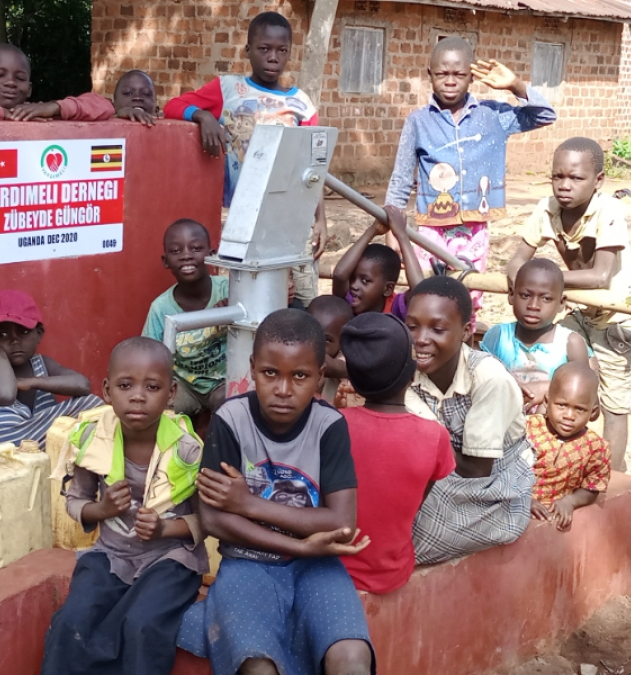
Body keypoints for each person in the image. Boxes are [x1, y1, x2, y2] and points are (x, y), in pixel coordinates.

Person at [176, 309, 375, 675]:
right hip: (247, 563)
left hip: (318, 568)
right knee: (257, 665)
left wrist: (248, 502)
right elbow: (213, 518)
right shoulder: (230, 420)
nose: (283, 390)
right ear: (253, 368)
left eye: (299, 376)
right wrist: (300, 544)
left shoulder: (328, 425)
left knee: (351, 659)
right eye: (271, 373)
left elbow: (342, 523)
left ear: (319, 376)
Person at [42, 337, 208, 675]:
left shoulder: (187, 450)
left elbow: (208, 520)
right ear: (106, 390)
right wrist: (101, 511)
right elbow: (76, 501)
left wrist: (165, 528)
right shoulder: (94, 441)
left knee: (141, 624)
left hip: (171, 559)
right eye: (125, 385)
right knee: (70, 621)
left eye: (152, 386)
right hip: (111, 554)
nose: (137, 396)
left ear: (171, 393)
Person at [384, 36, 557, 327]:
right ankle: (422, 353)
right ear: (429, 75)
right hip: (430, 228)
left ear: (471, 77)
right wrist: (392, 227)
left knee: (467, 295)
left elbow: (545, 114)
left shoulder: (493, 115)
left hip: (473, 229)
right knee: (425, 293)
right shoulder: (418, 121)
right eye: (441, 74)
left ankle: (463, 351)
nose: (450, 81)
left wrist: (516, 85)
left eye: (459, 74)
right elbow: (401, 177)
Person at [163, 11, 327, 307]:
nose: (273, 57)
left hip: (292, 219)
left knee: (301, 299)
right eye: (264, 49)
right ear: (249, 50)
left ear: (290, 52)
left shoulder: (302, 104)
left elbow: (313, 167)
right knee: (247, 296)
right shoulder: (228, 90)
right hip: (244, 218)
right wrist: (202, 116)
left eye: (281, 50)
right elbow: (173, 106)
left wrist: (320, 221)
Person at [506, 137, 631, 471]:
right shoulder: (546, 209)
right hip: (581, 313)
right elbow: (517, 262)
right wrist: (525, 281)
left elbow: (601, 276)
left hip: (619, 320)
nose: (564, 186)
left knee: (613, 408)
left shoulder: (609, 210)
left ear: (598, 181)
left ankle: (611, 483)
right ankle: (551, 464)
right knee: (554, 378)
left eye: (575, 178)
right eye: (558, 177)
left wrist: (543, 279)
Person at [403, 277, 535, 565]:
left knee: (404, 532)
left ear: (465, 332)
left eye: (437, 329)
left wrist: (422, 438)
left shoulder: (488, 378)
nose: (421, 338)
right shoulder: (409, 371)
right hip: (442, 475)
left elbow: (476, 469)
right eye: (412, 326)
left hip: (493, 488)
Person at [339, 313, 455, 594]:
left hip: (329, 571)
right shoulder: (435, 436)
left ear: (351, 377)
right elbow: (415, 502)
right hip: (391, 573)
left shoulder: (330, 425)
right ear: (413, 373)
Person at [0, 289, 104, 450]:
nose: (14, 341)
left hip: (45, 461)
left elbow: (83, 385)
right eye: (2, 335)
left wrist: (30, 382)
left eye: (23, 332)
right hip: (1, 468)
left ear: (39, 333)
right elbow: (4, 395)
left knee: (92, 404)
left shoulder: (42, 364)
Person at [482, 258, 593, 413]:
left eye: (546, 298)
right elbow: (478, 382)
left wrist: (550, 389)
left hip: (551, 434)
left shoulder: (570, 344)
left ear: (561, 303)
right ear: (512, 295)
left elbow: (588, 401)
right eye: (525, 295)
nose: (533, 306)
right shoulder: (498, 337)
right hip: (499, 426)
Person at [142, 219, 228, 416]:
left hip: (224, 380)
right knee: (159, 413)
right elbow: (149, 356)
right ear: (165, 261)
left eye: (196, 248)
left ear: (211, 254)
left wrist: (233, 312)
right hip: (183, 385)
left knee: (228, 405)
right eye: (175, 251)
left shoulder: (228, 290)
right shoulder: (160, 308)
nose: (186, 256)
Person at [0, 43, 114, 122]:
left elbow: (104, 106)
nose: (11, 83)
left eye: (20, 78)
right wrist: (1, 113)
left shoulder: (37, 115)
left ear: (29, 89)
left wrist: (55, 107)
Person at [528, 363, 611, 532]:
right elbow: (501, 470)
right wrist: (521, 500)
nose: (569, 416)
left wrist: (570, 501)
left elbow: (593, 487)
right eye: (562, 405)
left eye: (580, 409)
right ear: (547, 401)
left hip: (557, 522)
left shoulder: (596, 448)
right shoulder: (527, 429)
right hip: (516, 506)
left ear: (592, 412)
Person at [331, 205, 421, 318]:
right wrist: (373, 230)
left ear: (387, 289)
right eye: (352, 278)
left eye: (365, 280)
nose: (354, 285)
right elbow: (340, 275)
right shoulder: (349, 301)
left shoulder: (395, 307)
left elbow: (419, 290)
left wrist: (402, 234)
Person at [306, 295, 354, 404]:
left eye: (326, 340)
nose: (316, 343)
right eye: (310, 335)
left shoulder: (344, 356)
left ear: (343, 342)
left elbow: (341, 367)